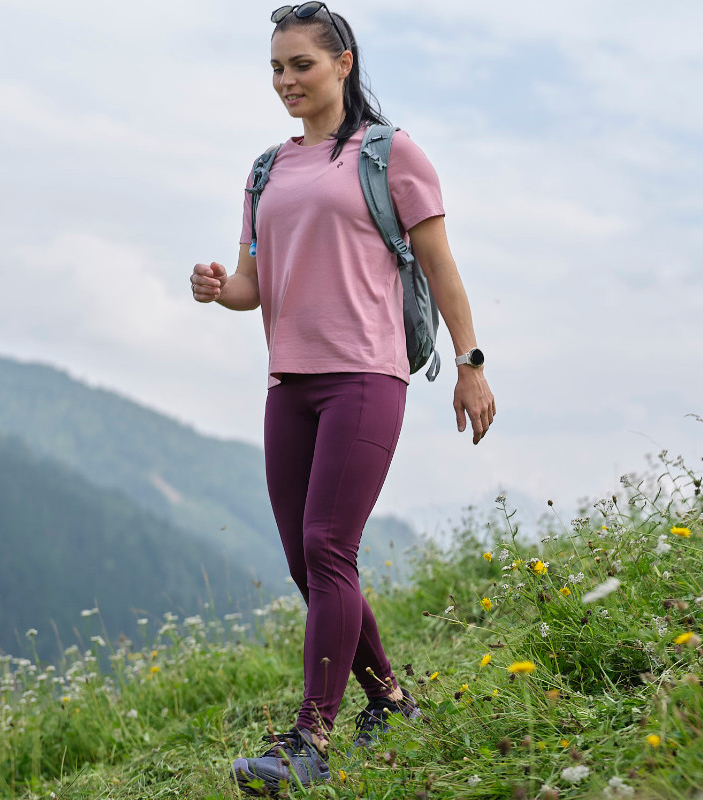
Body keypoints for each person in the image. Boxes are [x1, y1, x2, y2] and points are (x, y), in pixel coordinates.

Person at [187, 3, 496, 794]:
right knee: (304, 560)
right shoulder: (266, 170)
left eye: (302, 65)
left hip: (366, 374)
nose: (287, 82)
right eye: (277, 69)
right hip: (289, 382)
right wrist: (219, 290)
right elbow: (253, 283)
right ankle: (389, 701)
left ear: (343, 63)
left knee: (330, 545)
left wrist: (471, 364)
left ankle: (308, 742)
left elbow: (439, 266)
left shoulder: (391, 155)